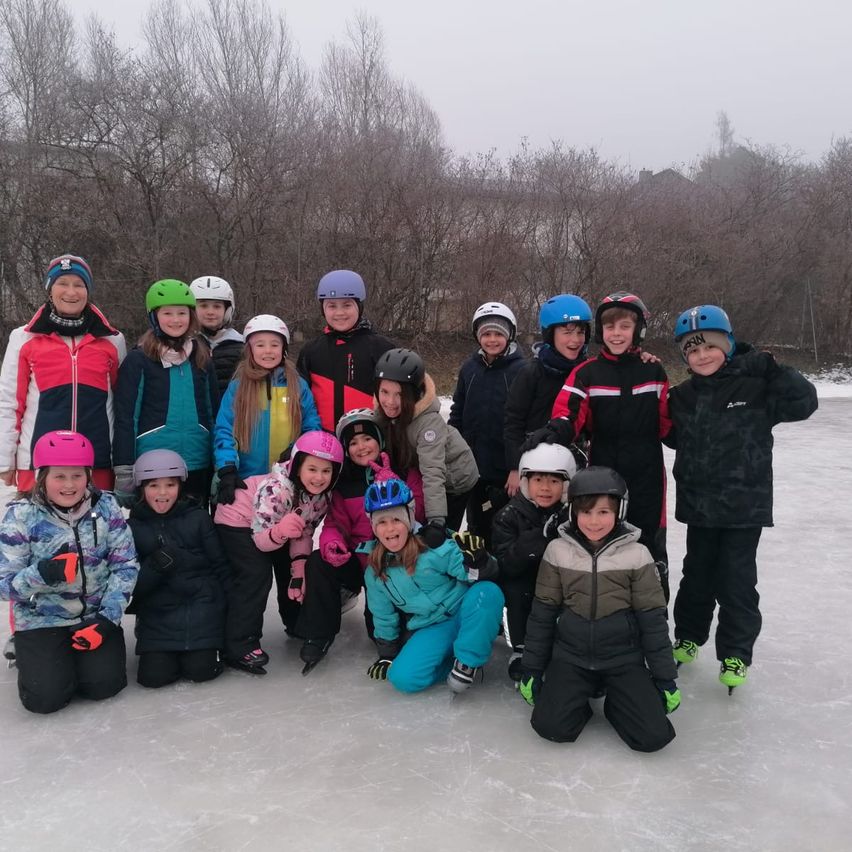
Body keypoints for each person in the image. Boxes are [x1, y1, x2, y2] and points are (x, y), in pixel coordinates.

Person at [666, 305, 818, 692]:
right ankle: (687, 636)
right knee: (696, 576)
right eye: (692, 350)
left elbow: (804, 404)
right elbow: (670, 436)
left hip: (743, 507)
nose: (702, 356)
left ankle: (735, 653)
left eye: (710, 347)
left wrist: (772, 369)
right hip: (699, 506)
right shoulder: (682, 396)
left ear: (728, 345)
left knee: (736, 581)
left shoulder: (756, 386)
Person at [519, 466, 679, 752]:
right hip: (571, 656)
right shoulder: (557, 551)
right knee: (551, 727)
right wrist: (531, 668)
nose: (594, 521)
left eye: (603, 512)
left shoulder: (637, 554)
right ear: (574, 513)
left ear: (619, 512)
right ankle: (577, 701)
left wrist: (665, 677)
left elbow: (653, 620)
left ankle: (618, 704)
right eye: (586, 512)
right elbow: (542, 613)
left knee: (653, 736)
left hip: (623, 658)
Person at [542, 291, 672, 598]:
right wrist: (555, 430)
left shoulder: (653, 371)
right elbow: (568, 413)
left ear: (638, 329)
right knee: (602, 543)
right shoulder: (587, 373)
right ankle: (603, 620)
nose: (617, 333)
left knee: (648, 546)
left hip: (648, 475)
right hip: (604, 473)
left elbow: (668, 423)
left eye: (624, 326)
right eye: (610, 327)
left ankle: (651, 626)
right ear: (601, 331)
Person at [0, 430, 138, 714]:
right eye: (59, 476)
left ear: (88, 475)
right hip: (41, 621)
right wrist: (43, 573)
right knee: (45, 699)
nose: (69, 485)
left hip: (93, 617)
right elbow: (4, 584)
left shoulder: (106, 506)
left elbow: (125, 565)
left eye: (77, 475)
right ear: (43, 477)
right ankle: (36, 658)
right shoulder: (21, 515)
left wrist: (108, 619)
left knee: (104, 686)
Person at [295, 408, 426, 671]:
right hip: (360, 561)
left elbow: (420, 510)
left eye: (367, 439)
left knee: (376, 631)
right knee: (319, 562)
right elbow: (335, 523)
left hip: (396, 565)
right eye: (353, 443)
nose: (361, 447)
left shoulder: (403, 471)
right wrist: (333, 543)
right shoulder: (344, 483)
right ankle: (319, 633)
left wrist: (395, 490)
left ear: (380, 439)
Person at [359, 478, 504, 694]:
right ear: (373, 526)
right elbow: (383, 615)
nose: (389, 528)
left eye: (396, 519)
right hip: (432, 626)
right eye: (381, 522)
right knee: (403, 678)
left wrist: (478, 560)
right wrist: (387, 655)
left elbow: (478, 574)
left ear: (409, 518)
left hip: (464, 611)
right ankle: (456, 659)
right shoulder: (376, 572)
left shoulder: (432, 547)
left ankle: (468, 661)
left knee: (488, 592)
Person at [213, 431, 343, 673]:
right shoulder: (277, 490)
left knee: (290, 571)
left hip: (275, 526)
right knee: (256, 572)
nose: (319, 477)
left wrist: (300, 566)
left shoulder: (322, 497)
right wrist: (281, 532)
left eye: (327, 471)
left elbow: (304, 532)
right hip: (237, 519)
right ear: (297, 465)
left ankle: (297, 622)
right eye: (312, 469)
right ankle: (239, 644)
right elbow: (263, 541)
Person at [0, 254, 125, 492]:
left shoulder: (112, 341)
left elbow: (122, 404)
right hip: (39, 462)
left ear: (88, 291)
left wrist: (121, 459)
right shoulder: (23, 339)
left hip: (96, 461)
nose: (71, 292)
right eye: (63, 283)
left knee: (95, 528)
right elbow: (8, 402)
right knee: (39, 529)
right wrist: (5, 458)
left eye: (79, 285)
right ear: (50, 289)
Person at [126, 449, 230, 688]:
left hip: (201, 611)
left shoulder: (199, 518)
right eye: (153, 486)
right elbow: (131, 586)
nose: (162, 493)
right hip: (158, 615)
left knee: (202, 671)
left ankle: (205, 650)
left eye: (170, 485)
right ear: (142, 488)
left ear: (180, 486)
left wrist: (228, 619)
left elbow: (220, 567)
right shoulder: (132, 527)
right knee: (153, 678)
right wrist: (155, 566)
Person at [113, 279, 219, 506]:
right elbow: (126, 418)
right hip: (152, 465)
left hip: (196, 463)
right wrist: (124, 469)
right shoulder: (138, 360)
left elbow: (213, 413)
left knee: (194, 530)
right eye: (167, 313)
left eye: (182, 313)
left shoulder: (201, 357)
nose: (176, 320)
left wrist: (219, 463)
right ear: (155, 317)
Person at [374, 348, 479, 546]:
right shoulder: (382, 414)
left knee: (440, 537)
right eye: (384, 392)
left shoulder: (428, 424)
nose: (390, 402)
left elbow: (433, 473)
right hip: (421, 473)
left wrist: (437, 523)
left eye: (399, 394)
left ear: (413, 394)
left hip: (454, 478)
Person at [213, 314, 320, 503]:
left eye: (274, 345)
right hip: (245, 480)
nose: (268, 351)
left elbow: (311, 427)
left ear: (284, 349)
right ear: (250, 349)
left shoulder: (298, 386)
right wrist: (227, 469)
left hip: (286, 480)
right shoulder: (238, 387)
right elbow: (225, 430)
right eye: (260, 345)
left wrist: (299, 451)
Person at [491, 442, 576, 681]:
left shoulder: (574, 516)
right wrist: (536, 540)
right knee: (516, 590)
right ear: (526, 483)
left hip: (561, 585)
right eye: (538, 480)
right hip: (524, 586)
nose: (546, 488)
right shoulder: (508, 516)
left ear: (566, 485)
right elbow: (504, 565)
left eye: (554, 481)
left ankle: (569, 646)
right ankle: (520, 647)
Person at [449, 302, 525, 548]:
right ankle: (479, 570)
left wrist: (516, 467)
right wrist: (452, 450)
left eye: (498, 334)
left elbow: (523, 422)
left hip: (505, 471)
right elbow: (457, 411)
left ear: (509, 335)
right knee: (476, 524)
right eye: (486, 334)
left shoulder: (521, 371)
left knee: (503, 524)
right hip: (473, 466)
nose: (492, 340)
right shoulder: (469, 369)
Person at [504, 294, 593, 498]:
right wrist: (515, 468)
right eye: (567, 332)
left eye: (580, 332)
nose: (575, 339)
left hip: (574, 463)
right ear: (550, 334)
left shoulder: (588, 372)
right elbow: (513, 422)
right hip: (535, 464)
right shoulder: (531, 373)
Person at [296, 269, 395, 432]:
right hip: (323, 441)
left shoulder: (382, 348)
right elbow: (301, 399)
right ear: (323, 309)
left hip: (368, 440)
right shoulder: (311, 351)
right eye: (332, 306)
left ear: (359, 306)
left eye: (347, 305)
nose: (339, 312)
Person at [189, 275, 245, 395]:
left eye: (217, 306)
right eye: (203, 306)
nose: (210, 312)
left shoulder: (241, 345)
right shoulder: (183, 344)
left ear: (227, 310)